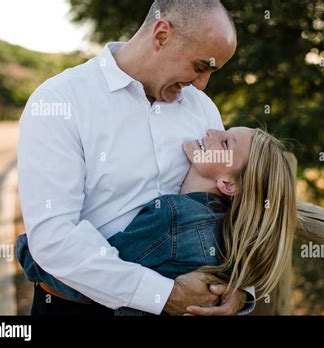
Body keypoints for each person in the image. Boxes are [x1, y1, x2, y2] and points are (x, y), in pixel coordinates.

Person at [17, 127, 297, 315]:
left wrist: (29, 249)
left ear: (227, 182)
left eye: (225, 142)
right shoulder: (229, 229)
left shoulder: (171, 217)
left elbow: (85, 279)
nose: (211, 129)